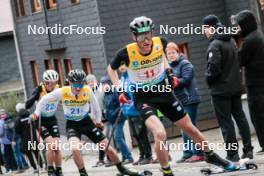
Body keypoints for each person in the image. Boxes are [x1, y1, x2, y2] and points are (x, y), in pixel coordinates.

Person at [107, 16, 236, 176]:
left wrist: (168, 71)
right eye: (141, 37)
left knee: (190, 128)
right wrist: (119, 89)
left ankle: (211, 156)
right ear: (134, 36)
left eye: (148, 35)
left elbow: (161, 56)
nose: (146, 41)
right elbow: (110, 69)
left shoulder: (160, 42)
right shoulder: (126, 52)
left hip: (164, 93)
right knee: (160, 133)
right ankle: (166, 170)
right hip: (144, 98)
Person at [33, 69, 141, 176]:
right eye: (76, 85)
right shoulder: (63, 91)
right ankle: (83, 173)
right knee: (75, 149)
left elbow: (96, 107)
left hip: (86, 122)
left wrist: (98, 122)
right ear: (70, 83)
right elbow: (43, 100)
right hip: (72, 125)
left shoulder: (87, 90)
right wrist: (37, 114)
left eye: (81, 84)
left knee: (107, 147)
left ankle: (122, 168)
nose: (79, 87)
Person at [203, 14, 253, 161]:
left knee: (226, 123)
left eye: (205, 28)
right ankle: (248, 150)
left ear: (211, 28)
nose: (204, 32)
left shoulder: (214, 45)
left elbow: (213, 69)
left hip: (220, 90)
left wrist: (208, 80)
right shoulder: (231, 40)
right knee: (241, 118)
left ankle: (232, 154)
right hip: (236, 87)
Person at [232, 10, 264, 155]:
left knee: (258, 115)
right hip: (259, 82)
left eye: (239, 25)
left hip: (256, 85)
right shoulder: (257, 35)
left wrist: (236, 41)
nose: (238, 29)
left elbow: (239, 60)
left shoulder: (250, 40)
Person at [166, 42, 203, 163]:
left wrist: (175, 81)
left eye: (173, 52)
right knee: (184, 127)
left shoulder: (185, 64)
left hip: (190, 99)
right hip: (180, 100)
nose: (171, 55)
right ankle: (187, 153)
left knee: (190, 127)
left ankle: (198, 153)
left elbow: (186, 79)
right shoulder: (169, 67)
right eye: (168, 53)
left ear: (178, 52)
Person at [25, 69, 63, 176]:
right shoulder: (40, 89)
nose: (53, 85)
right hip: (40, 120)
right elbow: (27, 105)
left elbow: (64, 99)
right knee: (51, 146)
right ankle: (50, 170)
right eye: (50, 83)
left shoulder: (57, 89)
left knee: (57, 147)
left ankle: (59, 170)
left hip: (52, 119)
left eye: (55, 82)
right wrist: (35, 95)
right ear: (45, 82)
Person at [121, 69, 153, 165]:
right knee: (135, 135)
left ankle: (148, 156)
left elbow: (139, 93)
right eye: (120, 65)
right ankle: (141, 155)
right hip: (128, 111)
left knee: (142, 134)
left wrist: (134, 104)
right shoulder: (122, 78)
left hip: (136, 111)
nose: (121, 67)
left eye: (123, 65)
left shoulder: (133, 76)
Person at [101, 76, 134, 165]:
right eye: (103, 84)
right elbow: (106, 107)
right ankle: (124, 157)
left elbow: (120, 104)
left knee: (117, 137)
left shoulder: (115, 92)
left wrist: (113, 113)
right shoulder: (105, 94)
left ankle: (129, 157)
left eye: (106, 84)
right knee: (118, 138)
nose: (104, 86)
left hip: (119, 118)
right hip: (111, 120)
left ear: (109, 83)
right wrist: (106, 114)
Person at [86, 74, 110, 167]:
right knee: (100, 140)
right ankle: (101, 159)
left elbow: (107, 101)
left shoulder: (101, 90)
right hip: (96, 120)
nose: (91, 83)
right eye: (89, 82)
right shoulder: (87, 94)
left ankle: (109, 158)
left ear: (96, 81)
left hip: (105, 118)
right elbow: (88, 108)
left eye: (92, 81)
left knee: (106, 139)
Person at [15, 103, 43, 174]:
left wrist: (21, 134)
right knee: (36, 152)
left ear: (17, 110)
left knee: (29, 154)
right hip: (32, 138)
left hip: (25, 140)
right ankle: (41, 167)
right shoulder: (30, 116)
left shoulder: (18, 119)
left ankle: (35, 168)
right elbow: (36, 124)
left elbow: (17, 130)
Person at [0, 109, 17, 173]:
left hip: (4, 141)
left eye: (2, 114)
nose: (2, 115)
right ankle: (14, 167)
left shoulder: (1, 122)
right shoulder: (7, 120)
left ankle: (9, 168)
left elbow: (1, 132)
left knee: (6, 155)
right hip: (10, 140)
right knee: (12, 154)